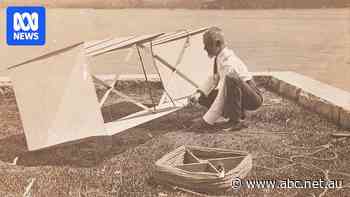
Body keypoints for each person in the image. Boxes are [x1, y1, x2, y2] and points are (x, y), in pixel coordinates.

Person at [190, 27, 263, 131]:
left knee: (231, 77)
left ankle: (235, 121)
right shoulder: (219, 57)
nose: (205, 48)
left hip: (253, 98)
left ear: (218, 43)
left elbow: (222, 96)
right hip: (240, 93)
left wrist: (206, 121)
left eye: (207, 45)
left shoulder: (229, 62)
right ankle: (237, 114)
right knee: (203, 97)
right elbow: (214, 78)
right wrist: (199, 93)